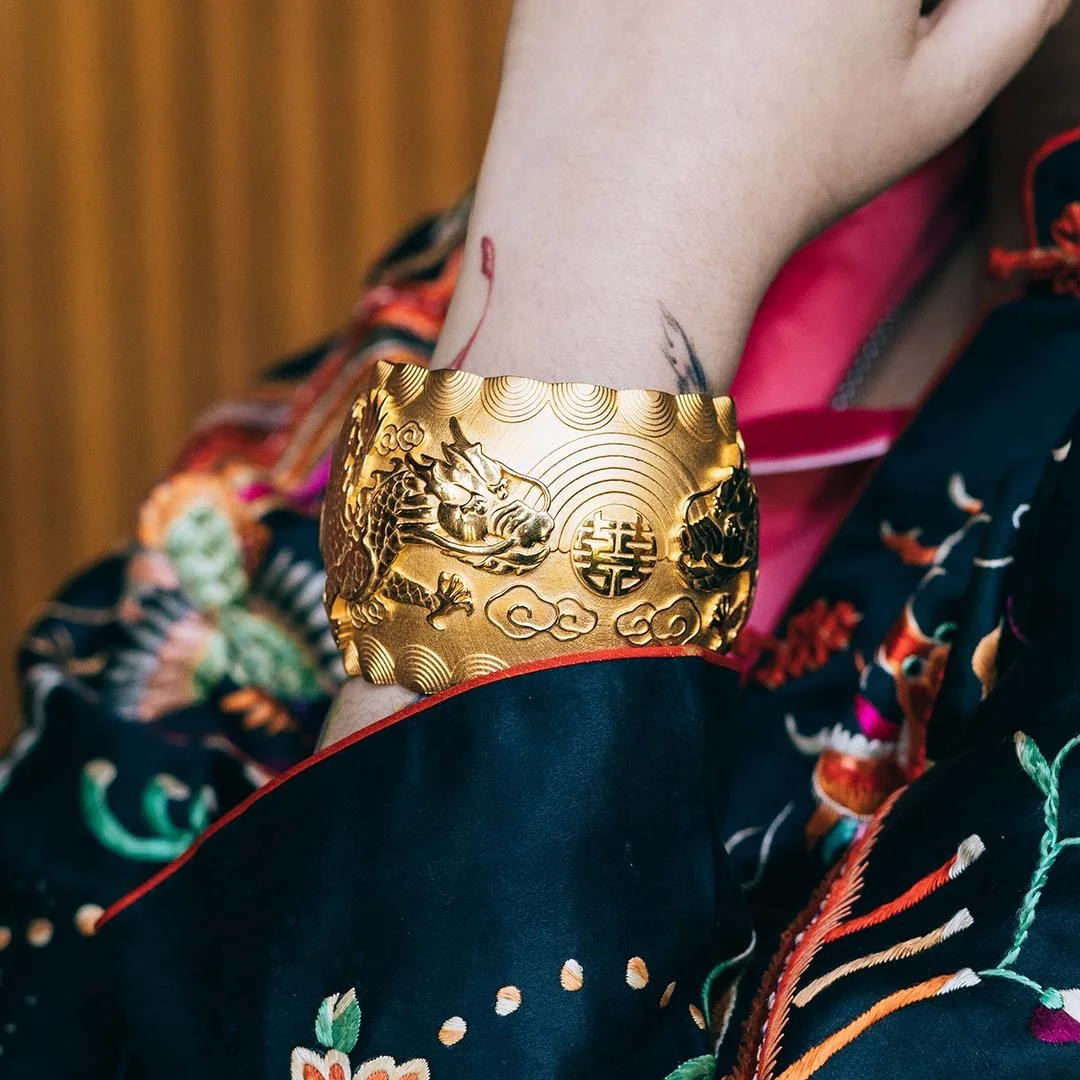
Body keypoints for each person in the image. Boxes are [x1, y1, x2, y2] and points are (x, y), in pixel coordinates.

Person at [2, 2, 1080, 1077]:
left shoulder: (658, 174)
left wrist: (600, 275)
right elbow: (63, 961)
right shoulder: (730, 128)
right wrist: (613, 243)